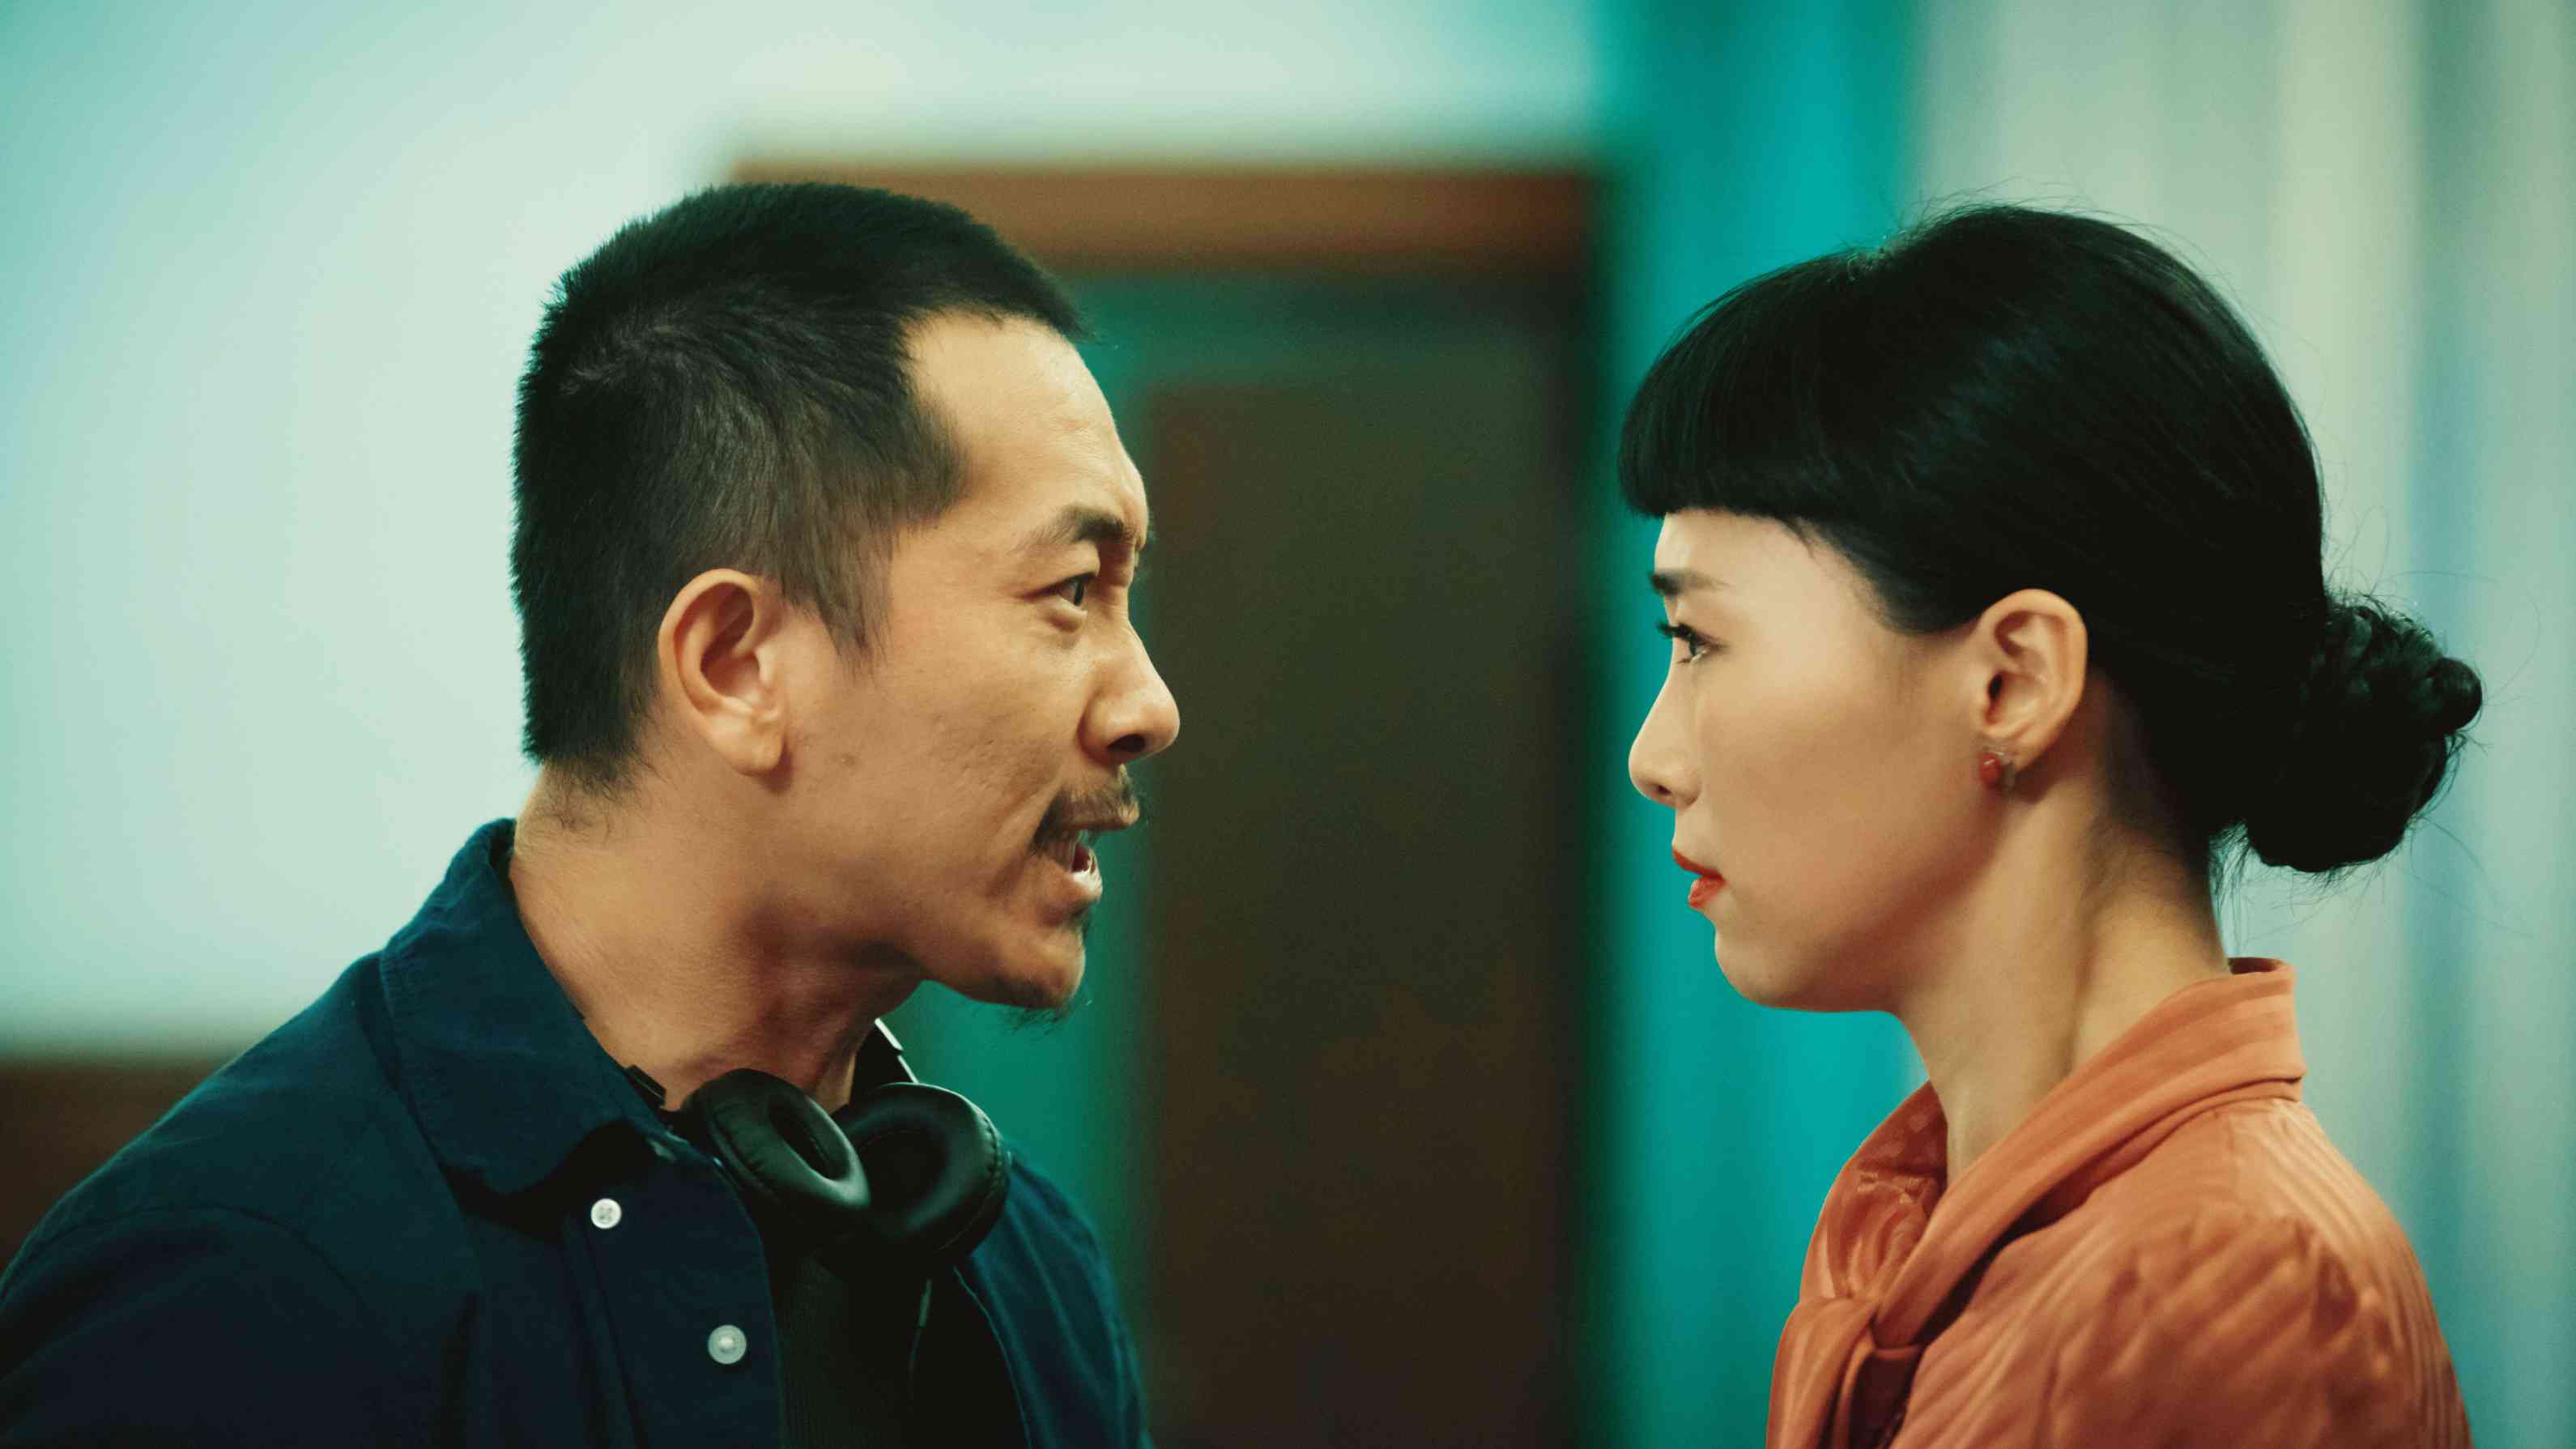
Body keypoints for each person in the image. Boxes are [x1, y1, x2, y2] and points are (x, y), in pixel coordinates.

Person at [0, 182, 1177, 1447]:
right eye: (1071, 589)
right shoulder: (238, 1289)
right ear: (735, 665)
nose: (1149, 706)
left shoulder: (1031, 1275)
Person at [1621, 204, 2476, 1447]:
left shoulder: (2217, 1290)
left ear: (2013, 680)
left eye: (1699, 639)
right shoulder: (1954, 1235)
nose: (1651, 758)